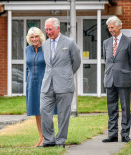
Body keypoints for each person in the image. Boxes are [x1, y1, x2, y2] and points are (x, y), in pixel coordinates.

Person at [40, 18, 81, 148]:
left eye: (50, 29)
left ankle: (60, 140)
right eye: (46, 29)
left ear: (58, 28)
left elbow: (77, 62)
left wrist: (67, 74)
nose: (48, 32)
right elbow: (49, 65)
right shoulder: (44, 44)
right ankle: (48, 140)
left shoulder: (69, 43)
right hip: (47, 84)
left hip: (64, 84)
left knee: (63, 114)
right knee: (44, 110)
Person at [102, 16, 131, 143]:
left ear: (119, 26)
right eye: (109, 28)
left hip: (124, 79)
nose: (110, 30)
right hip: (110, 79)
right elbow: (107, 60)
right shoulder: (106, 43)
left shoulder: (129, 42)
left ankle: (125, 134)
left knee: (125, 108)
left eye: (112, 27)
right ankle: (112, 135)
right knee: (111, 108)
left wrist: (127, 73)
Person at [25, 27, 46, 147]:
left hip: (44, 83)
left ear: (40, 37)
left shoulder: (46, 48)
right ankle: (41, 137)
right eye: (32, 37)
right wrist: (27, 81)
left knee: (45, 111)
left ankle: (48, 137)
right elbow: (27, 67)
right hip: (32, 84)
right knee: (37, 112)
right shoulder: (27, 49)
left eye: (36, 36)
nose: (34, 39)